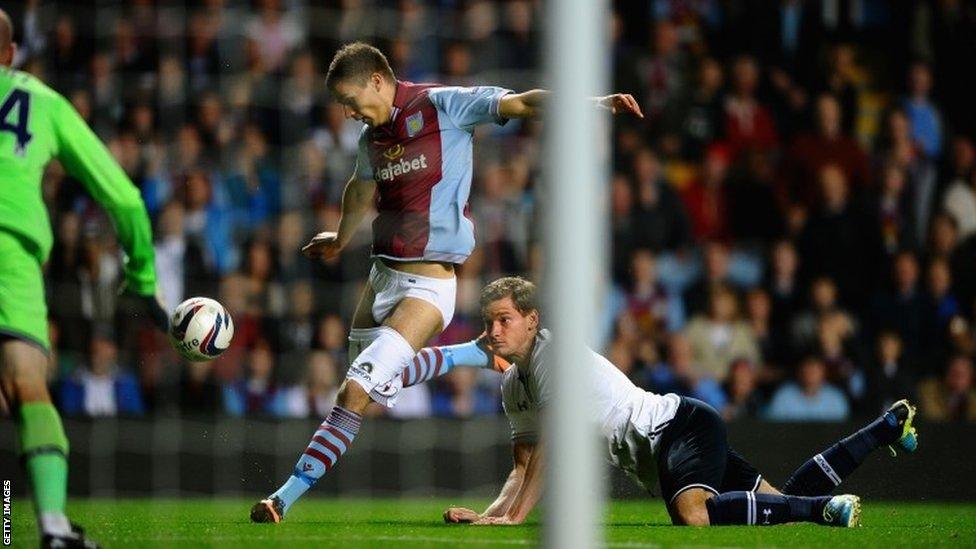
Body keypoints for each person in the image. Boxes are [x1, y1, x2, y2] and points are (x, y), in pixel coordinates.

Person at [250, 42, 643, 523]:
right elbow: (360, 187)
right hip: (382, 275)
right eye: (341, 105)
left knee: (353, 392)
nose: (348, 112)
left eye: (351, 99)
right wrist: (340, 236)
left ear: (378, 79)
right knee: (372, 386)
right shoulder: (371, 138)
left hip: (428, 287)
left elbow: (522, 101)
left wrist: (594, 103)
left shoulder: (442, 104)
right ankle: (471, 354)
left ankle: (281, 499)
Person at [439, 277, 918, 527]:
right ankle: (883, 430)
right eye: (487, 322)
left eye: (503, 320)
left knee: (692, 516)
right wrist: (493, 514)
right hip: (670, 443)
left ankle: (821, 512)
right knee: (779, 504)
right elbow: (523, 467)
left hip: (678, 429)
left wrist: (515, 518)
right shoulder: (511, 385)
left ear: (531, 319)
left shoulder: (551, 355)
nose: (491, 331)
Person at [0, 9, 166, 548]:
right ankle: (50, 526)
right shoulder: (41, 101)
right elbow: (124, 198)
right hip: (9, 252)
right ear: (10, 55)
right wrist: (141, 275)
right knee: (25, 387)